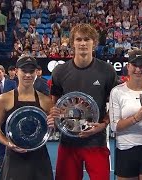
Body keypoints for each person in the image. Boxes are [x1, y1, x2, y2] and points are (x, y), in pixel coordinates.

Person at [48, 23, 118, 180]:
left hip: (96, 142)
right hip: (68, 142)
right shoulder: (60, 71)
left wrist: (103, 124)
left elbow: (115, 105)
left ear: (94, 42)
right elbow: (54, 102)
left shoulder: (107, 71)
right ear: (73, 43)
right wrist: (53, 112)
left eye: (87, 39)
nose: (83, 43)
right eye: (79, 39)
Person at [0, 56, 54, 180]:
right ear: (16, 71)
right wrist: (8, 143)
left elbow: (52, 129)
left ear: (36, 72)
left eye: (31, 71)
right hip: (15, 158)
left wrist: (54, 124)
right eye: (24, 71)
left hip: (39, 158)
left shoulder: (46, 100)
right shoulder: (4, 99)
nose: (28, 75)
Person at [109, 49, 142, 180]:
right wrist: (135, 118)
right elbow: (114, 127)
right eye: (134, 65)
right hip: (125, 150)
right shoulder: (117, 92)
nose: (138, 69)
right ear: (128, 67)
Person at [0, 65, 17, 167]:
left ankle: (13, 159)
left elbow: (15, 97)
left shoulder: (12, 83)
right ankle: (1, 160)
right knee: (0, 138)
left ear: (4, 73)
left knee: (12, 137)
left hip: (10, 115)